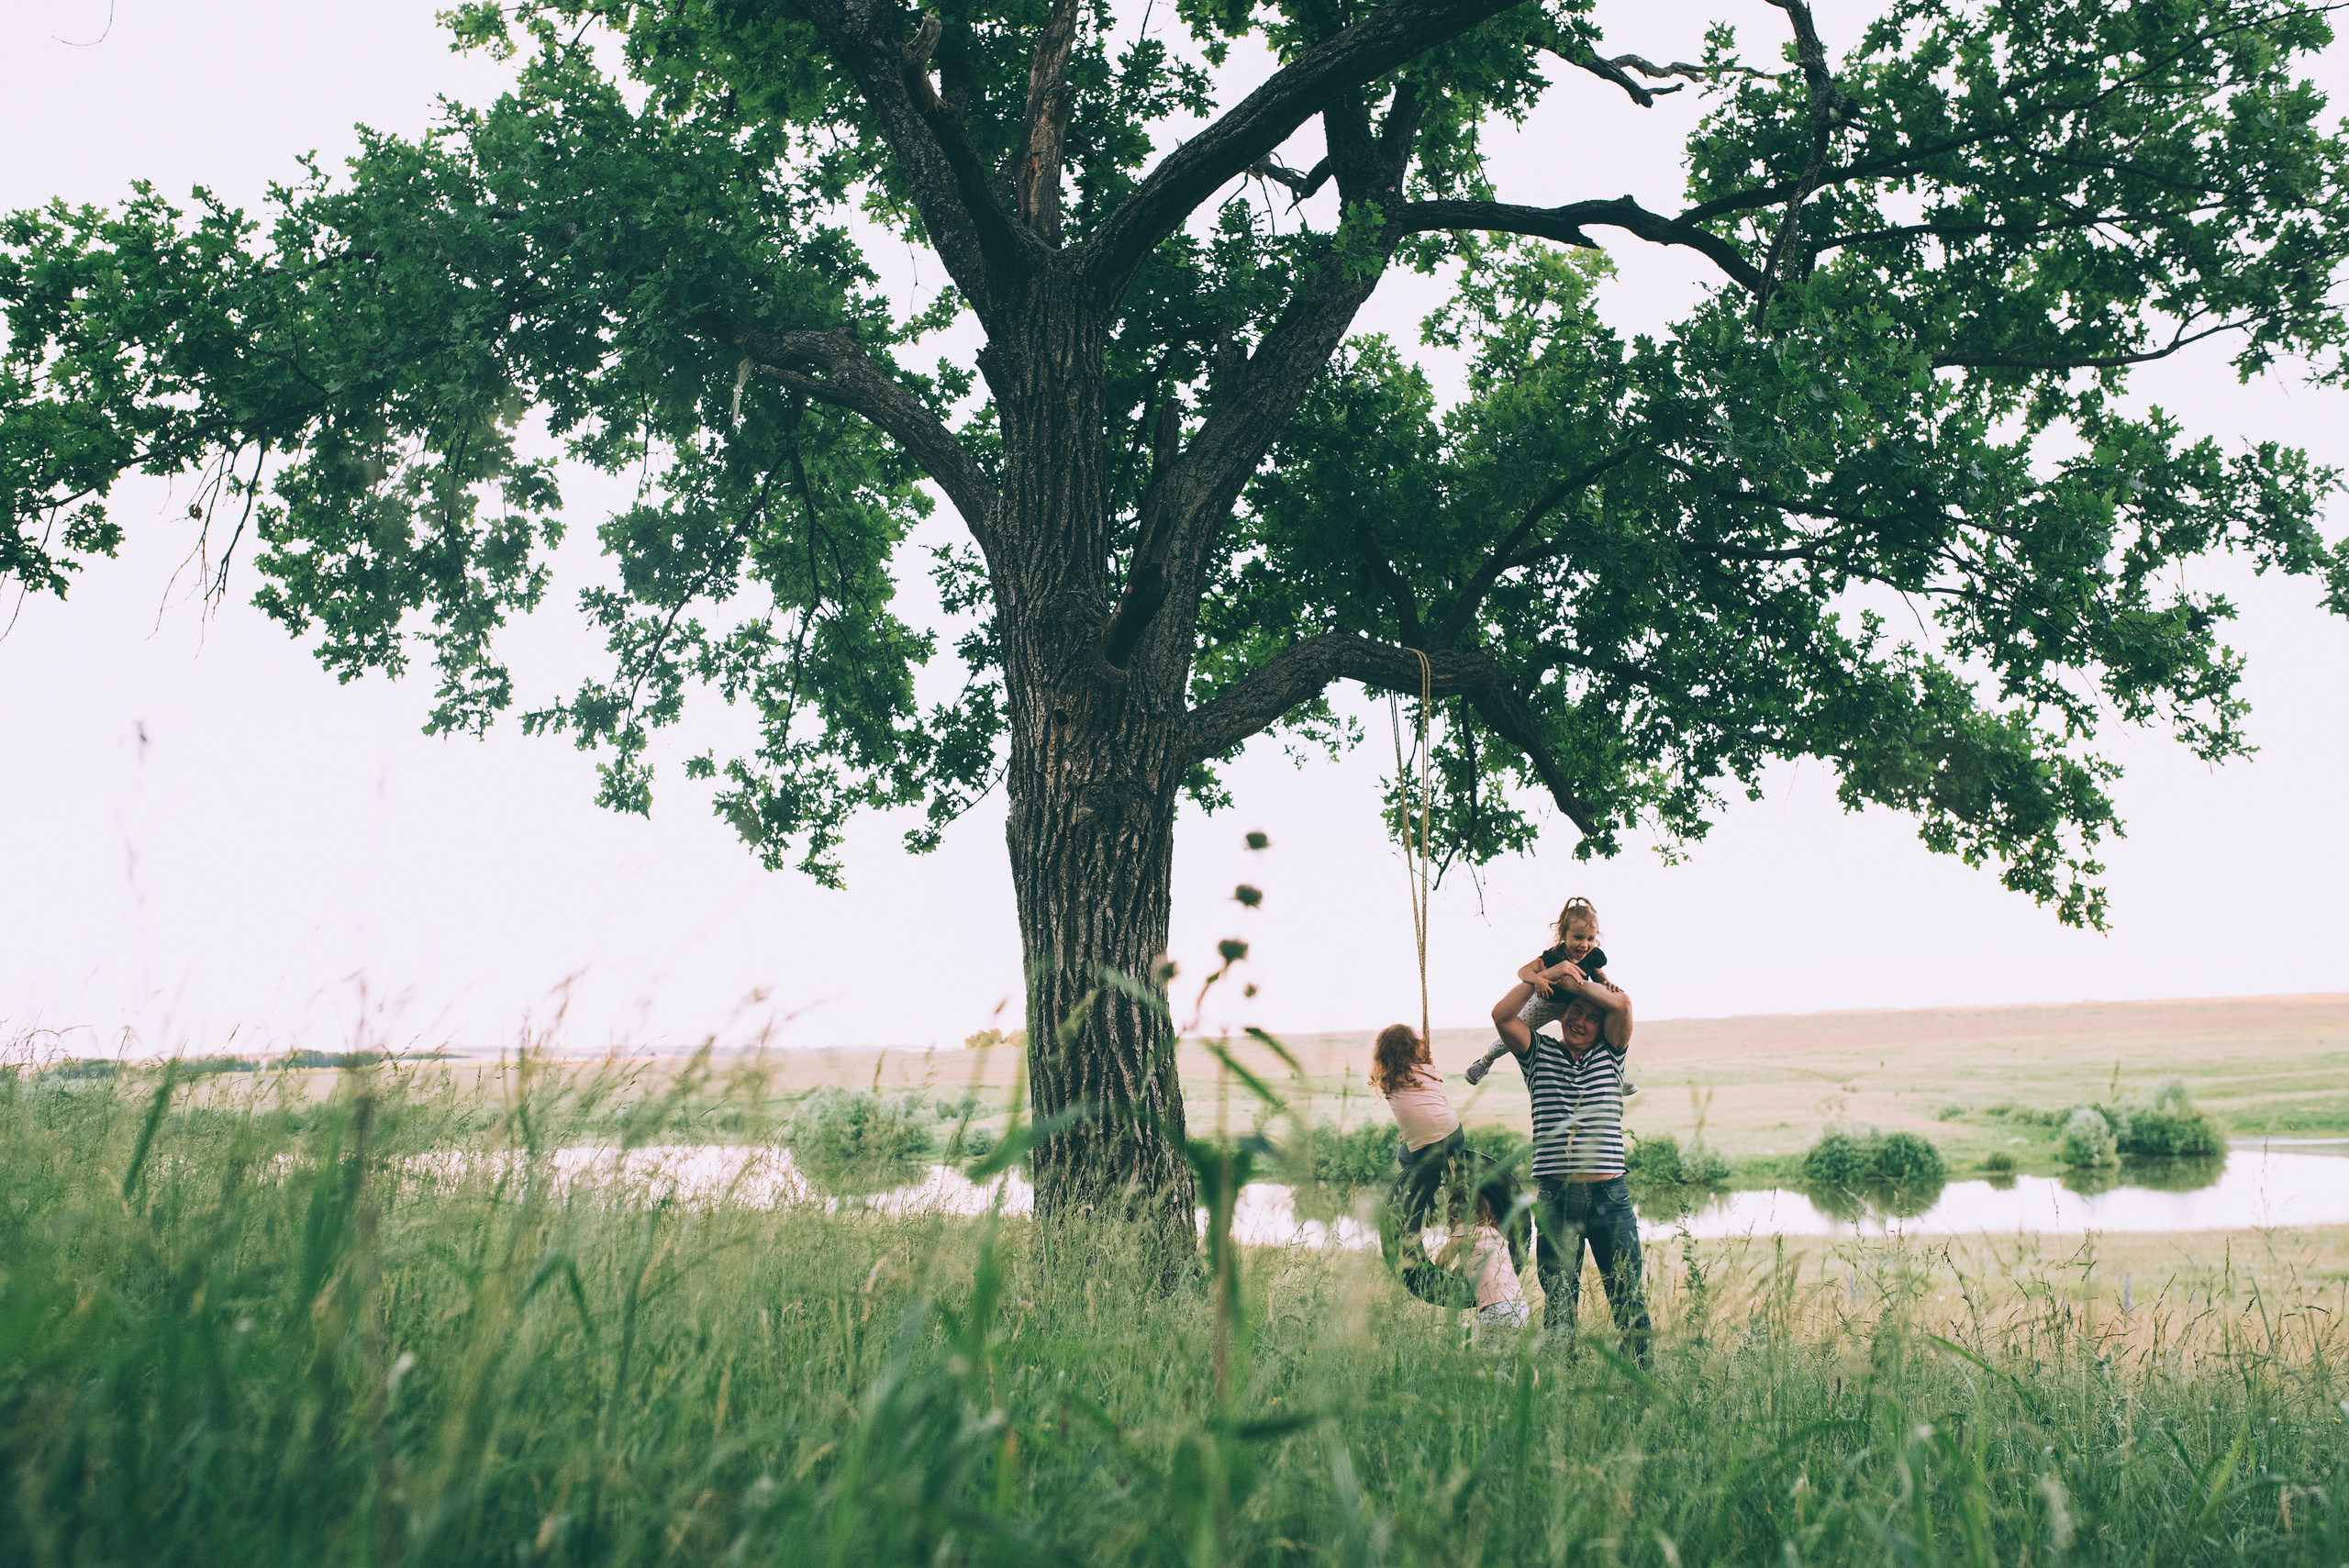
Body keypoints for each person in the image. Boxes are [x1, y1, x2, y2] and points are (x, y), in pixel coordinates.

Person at [1495, 967, 1653, 1362]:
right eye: (1574, 1012)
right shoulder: (1538, 1053)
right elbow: (1502, 1017)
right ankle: (1561, 1387)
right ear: (1560, 1013)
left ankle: (1641, 1383)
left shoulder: (1612, 1054)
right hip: (1556, 1200)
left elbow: (1623, 1006)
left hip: (1609, 1196)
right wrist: (1543, 975)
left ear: (1603, 1027)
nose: (1580, 1022)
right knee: (1560, 1301)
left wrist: (1585, 983)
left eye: (1591, 1016)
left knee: (1626, 1295)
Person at [1463, 896, 1611, 1087]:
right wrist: (1539, 979)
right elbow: (1523, 972)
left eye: (1590, 938)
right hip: (1545, 1003)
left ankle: (1610, 1071)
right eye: (1578, 937)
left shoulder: (1593, 955)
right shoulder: (1553, 956)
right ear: (1564, 934)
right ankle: (1486, 1060)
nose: (1585, 944)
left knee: (1599, 1030)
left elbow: (1598, 974)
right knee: (1513, 1033)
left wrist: (1607, 983)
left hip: (1572, 1005)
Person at [1369, 1022, 1464, 1228]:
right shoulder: (1430, 1071)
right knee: (1449, 1153)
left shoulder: (1388, 1082)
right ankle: (1453, 1186)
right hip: (1454, 1133)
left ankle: (1428, 1201)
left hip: (1424, 1148)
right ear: (1414, 1047)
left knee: (1403, 1153)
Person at [1437, 1188, 1530, 1344]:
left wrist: (1442, 1282)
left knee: (1483, 1360)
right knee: (1507, 1359)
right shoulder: (1494, 1232)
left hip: (1496, 1309)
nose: (1449, 1222)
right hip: (1520, 1306)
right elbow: (1467, 1267)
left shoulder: (1463, 1232)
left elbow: (1441, 1262)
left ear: (1459, 1215)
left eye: (1451, 1217)